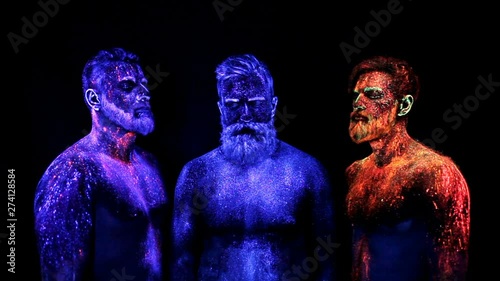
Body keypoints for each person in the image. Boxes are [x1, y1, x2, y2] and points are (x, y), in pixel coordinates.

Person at [171, 53, 338, 280]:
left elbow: (327, 262)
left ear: (273, 106)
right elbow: (181, 261)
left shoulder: (307, 171)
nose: (245, 116)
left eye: (256, 104)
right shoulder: (196, 173)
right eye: (233, 105)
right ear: (220, 109)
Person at [33, 47, 169, 281]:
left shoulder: (150, 163)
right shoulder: (72, 170)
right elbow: (60, 275)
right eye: (127, 86)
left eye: (144, 84)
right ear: (94, 98)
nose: (144, 93)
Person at [345, 55, 470, 281]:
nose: (359, 103)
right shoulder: (355, 172)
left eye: (373, 94)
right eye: (356, 95)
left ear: (404, 105)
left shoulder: (434, 172)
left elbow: (451, 266)